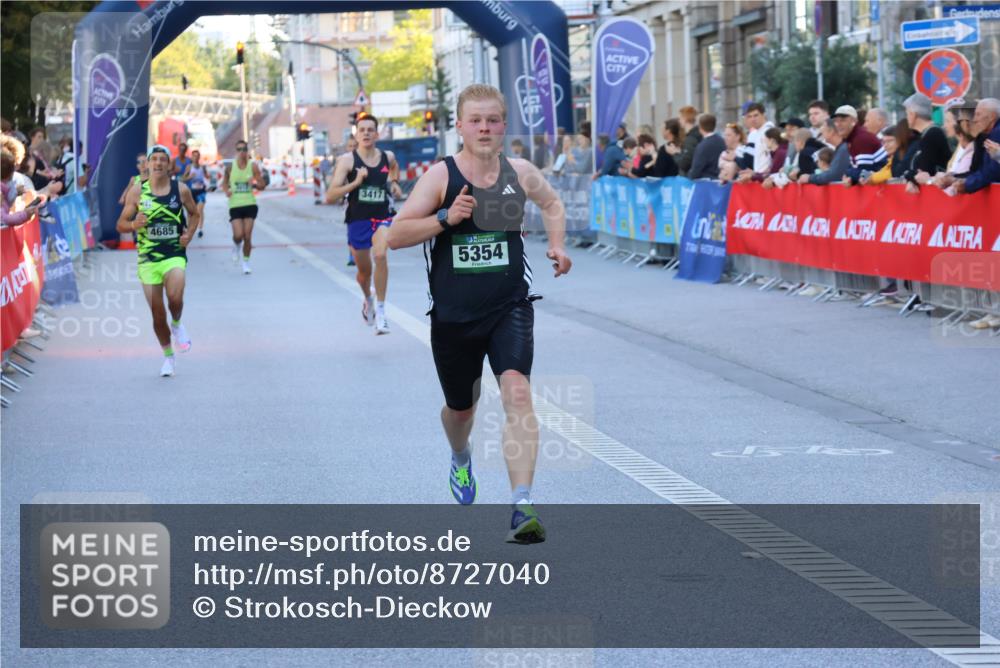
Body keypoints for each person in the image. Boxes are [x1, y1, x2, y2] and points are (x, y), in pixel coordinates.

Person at [388, 83, 572, 544]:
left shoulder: (520, 171)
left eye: (493, 120)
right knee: (460, 410)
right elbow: (395, 235)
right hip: (453, 316)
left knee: (518, 394)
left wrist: (557, 243)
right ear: (460, 126)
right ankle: (460, 456)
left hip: (509, 306)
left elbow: (552, 202)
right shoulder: (440, 177)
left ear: (504, 124)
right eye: (476, 120)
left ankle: (522, 504)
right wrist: (446, 219)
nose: (485, 128)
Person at [115, 145, 200, 376]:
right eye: (155, 159)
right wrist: (133, 224)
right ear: (149, 164)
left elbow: (194, 213)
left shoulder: (180, 190)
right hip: (148, 259)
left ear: (168, 165)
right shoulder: (137, 191)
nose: (159, 163)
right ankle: (168, 357)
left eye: (163, 159)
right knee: (157, 312)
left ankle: (177, 323)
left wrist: (189, 235)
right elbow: (120, 224)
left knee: (175, 297)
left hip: (173, 254)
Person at [324, 114, 403, 335]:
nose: (366, 133)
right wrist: (356, 182)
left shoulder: (387, 157)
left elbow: (395, 168)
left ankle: (381, 313)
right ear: (356, 135)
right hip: (357, 220)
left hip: (382, 217)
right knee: (363, 273)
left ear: (377, 134)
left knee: (380, 256)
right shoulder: (347, 161)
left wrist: (394, 182)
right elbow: (330, 195)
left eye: (370, 129)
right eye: (362, 130)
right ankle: (368, 298)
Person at [222, 139, 263, 275]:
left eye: (244, 149)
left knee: (247, 236)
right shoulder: (230, 167)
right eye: (239, 150)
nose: (242, 152)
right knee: (238, 235)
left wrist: (255, 183)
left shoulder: (253, 166)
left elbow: (262, 185)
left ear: (247, 151)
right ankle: (236, 245)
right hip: (235, 205)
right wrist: (226, 191)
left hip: (250, 204)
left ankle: (246, 262)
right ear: (236, 151)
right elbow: (224, 183)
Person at [900, 93, 951, 188]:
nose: (906, 118)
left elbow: (924, 170)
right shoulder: (926, 134)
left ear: (913, 114)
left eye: (907, 113)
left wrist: (908, 175)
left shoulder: (932, 133)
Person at [833, 105, 887, 183]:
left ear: (853, 122)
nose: (838, 124)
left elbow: (864, 172)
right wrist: (849, 176)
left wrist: (848, 175)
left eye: (843, 120)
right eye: (836, 121)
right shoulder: (852, 138)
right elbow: (857, 169)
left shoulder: (861, 138)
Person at [800, 119, 849, 185]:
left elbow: (833, 175)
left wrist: (809, 178)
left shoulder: (844, 149)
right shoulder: (841, 149)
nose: (821, 129)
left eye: (823, 126)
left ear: (831, 131)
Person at [741, 102, 774, 178]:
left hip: (767, 181)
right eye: (749, 116)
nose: (753, 119)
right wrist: (755, 173)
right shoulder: (759, 131)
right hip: (760, 178)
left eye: (756, 115)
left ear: (763, 115)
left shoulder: (767, 131)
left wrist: (763, 175)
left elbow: (775, 157)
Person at [688, 113, 725, 180]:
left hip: (707, 184)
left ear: (700, 127)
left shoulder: (702, 146)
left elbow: (696, 170)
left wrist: (690, 176)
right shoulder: (722, 141)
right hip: (721, 181)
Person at [186, 149, 208, 237]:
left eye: (197, 155)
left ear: (199, 157)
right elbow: (183, 178)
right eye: (194, 155)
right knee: (190, 212)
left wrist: (206, 179)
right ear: (192, 157)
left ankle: (200, 229)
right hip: (191, 191)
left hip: (201, 191)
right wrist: (190, 177)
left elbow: (207, 177)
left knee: (200, 210)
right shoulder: (189, 167)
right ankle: (189, 228)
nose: (196, 157)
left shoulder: (202, 167)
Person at [676, 105, 701, 176]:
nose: (679, 121)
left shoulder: (691, 138)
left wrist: (675, 153)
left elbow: (685, 164)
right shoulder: (698, 134)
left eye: (680, 118)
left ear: (685, 118)